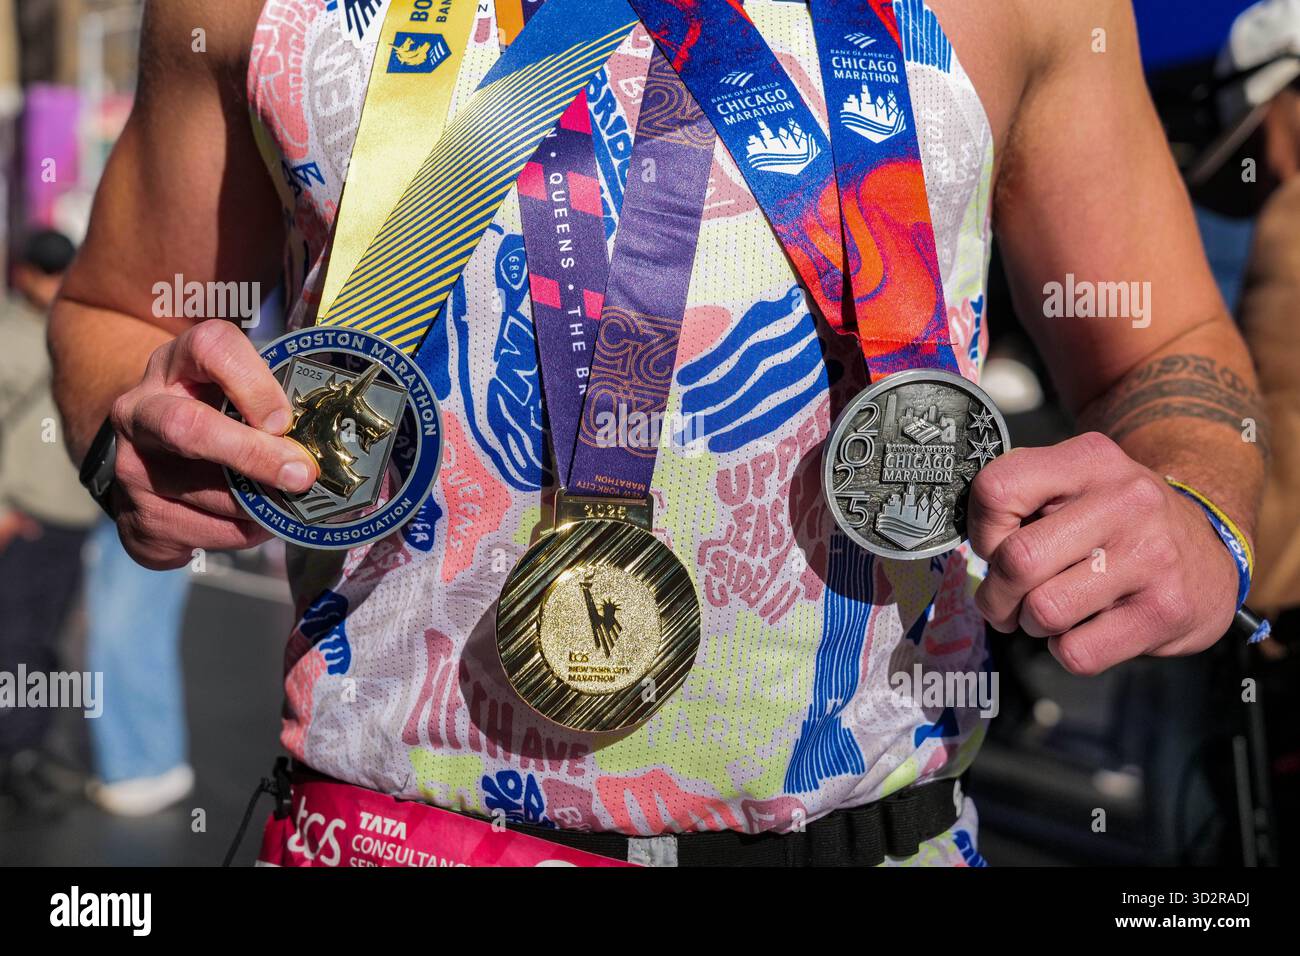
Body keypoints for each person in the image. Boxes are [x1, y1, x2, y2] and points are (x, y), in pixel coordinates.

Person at [48, 0, 1265, 866]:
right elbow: (114, 310)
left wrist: (1198, 510)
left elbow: (1165, 353)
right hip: (384, 834)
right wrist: (131, 438)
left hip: (875, 836)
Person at [0, 229, 100, 814]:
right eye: (45, 270)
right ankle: (14, 757)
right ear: (22, 274)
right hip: (23, 517)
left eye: (61, 270)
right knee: (14, 643)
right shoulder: (9, 333)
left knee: (41, 643)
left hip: (68, 515)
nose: (54, 282)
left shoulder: (74, 325)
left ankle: (28, 749)